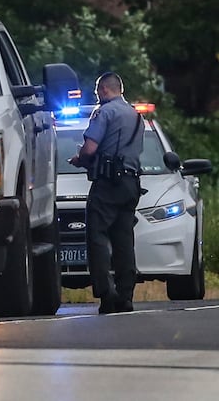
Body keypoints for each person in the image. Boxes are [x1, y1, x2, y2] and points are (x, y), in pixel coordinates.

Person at [69, 72, 144, 314]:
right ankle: (126, 295)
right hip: (131, 183)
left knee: (97, 235)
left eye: (97, 92)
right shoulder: (135, 115)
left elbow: (90, 148)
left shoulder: (104, 112)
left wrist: (79, 159)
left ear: (103, 90)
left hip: (108, 183)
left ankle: (107, 293)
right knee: (124, 240)